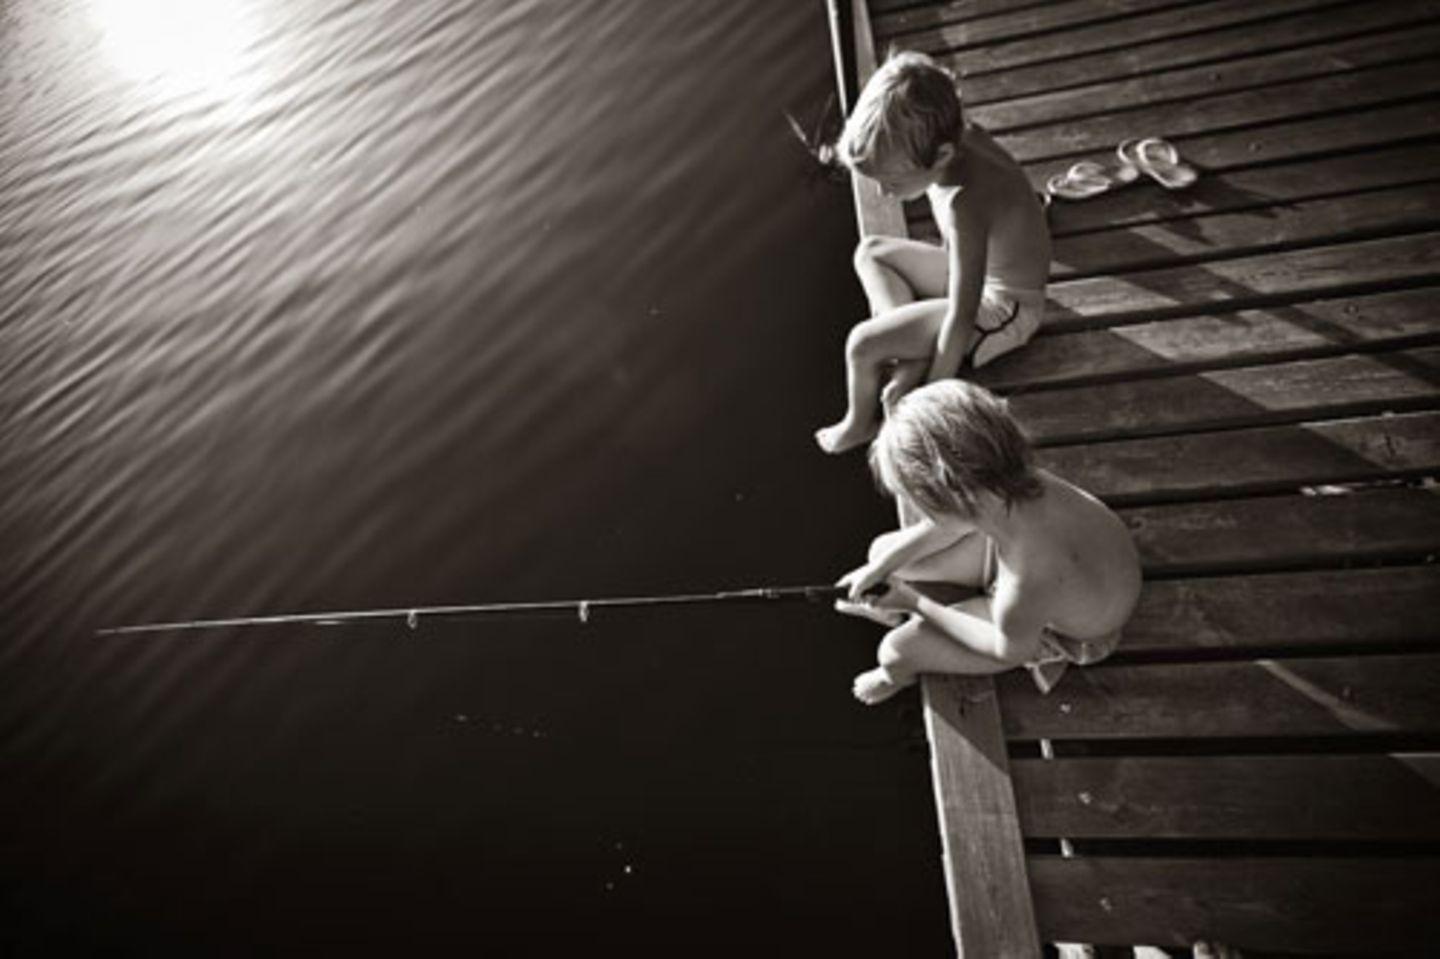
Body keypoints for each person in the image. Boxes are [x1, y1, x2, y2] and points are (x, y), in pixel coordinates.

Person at [835, 379, 1141, 705]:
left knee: (895, 652)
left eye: (922, 504)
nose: (922, 511)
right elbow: (951, 525)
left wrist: (914, 603)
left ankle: (895, 675)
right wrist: (881, 568)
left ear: (954, 500)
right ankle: (890, 603)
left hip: (1064, 627)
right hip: (1057, 571)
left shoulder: (1025, 581)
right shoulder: (1005, 483)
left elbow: (1007, 650)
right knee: (882, 552)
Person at [815, 50, 1051, 454]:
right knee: (871, 252)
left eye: (892, 181)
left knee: (861, 345)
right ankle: (909, 354)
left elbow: (962, 313)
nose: (883, 193)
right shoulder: (961, 137)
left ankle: (857, 425)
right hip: (978, 278)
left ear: (941, 155)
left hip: (1006, 309)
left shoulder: (966, 202)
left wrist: (930, 394)